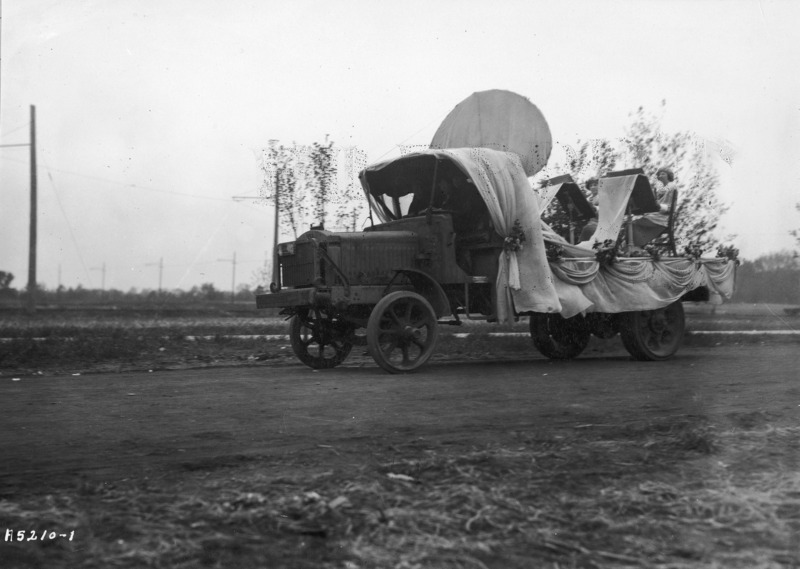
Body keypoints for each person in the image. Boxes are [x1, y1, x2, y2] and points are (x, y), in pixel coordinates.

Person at [631, 168, 677, 247]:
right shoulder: (659, 189)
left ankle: (636, 247)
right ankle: (636, 247)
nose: (660, 175)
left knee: (632, 224)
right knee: (632, 223)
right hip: (654, 215)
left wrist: (657, 206)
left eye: (663, 174)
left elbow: (670, 207)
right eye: (659, 174)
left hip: (662, 218)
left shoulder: (672, 187)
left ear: (669, 176)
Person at [579, 177, 600, 242]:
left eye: (595, 185)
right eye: (591, 185)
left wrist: (594, 208)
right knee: (587, 228)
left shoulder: (603, 196)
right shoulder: (588, 199)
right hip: (590, 222)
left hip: (600, 222)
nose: (593, 187)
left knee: (588, 229)